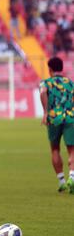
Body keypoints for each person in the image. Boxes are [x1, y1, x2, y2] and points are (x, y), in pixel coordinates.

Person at [39, 57, 74, 194]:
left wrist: (45, 112)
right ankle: (72, 177)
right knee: (72, 149)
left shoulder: (46, 82)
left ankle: (62, 182)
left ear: (50, 69)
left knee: (55, 149)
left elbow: (42, 92)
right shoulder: (70, 83)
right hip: (70, 117)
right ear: (62, 68)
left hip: (54, 118)